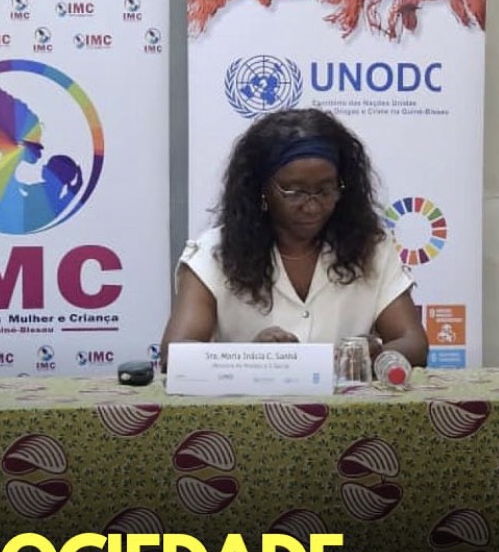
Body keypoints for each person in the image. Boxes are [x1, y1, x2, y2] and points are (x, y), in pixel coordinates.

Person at [161, 108, 428, 368]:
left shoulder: (371, 248)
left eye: (325, 190)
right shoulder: (215, 253)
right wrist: (250, 358)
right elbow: (173, 354)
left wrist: (371, 353)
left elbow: (414, 343)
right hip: (250, 400)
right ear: (261, 189)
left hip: (346, 399)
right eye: (295, 192)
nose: (312, 206)